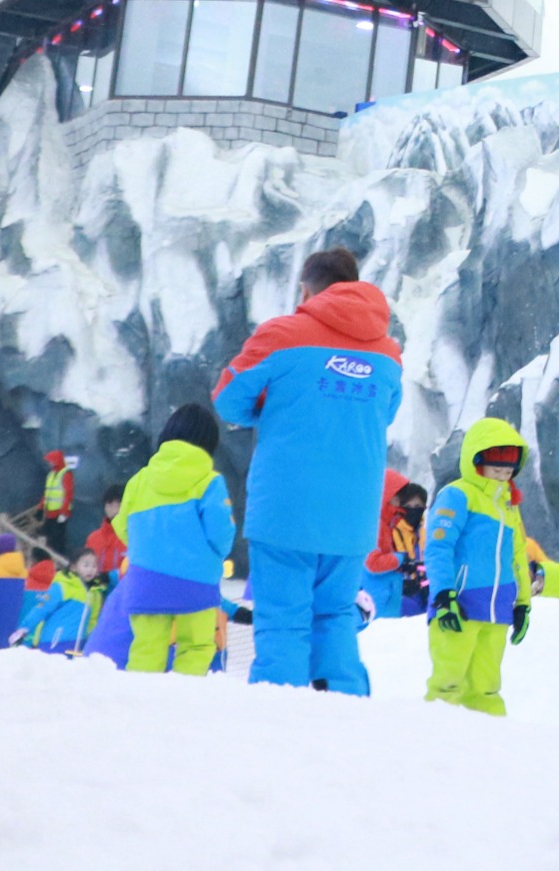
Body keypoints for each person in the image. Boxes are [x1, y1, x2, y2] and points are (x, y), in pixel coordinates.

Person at [213, 246, 403, 695]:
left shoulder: (283, 334)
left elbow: (228, 397)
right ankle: (345, 715)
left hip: (287, 508)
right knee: (335, 616)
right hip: (352, 515)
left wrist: (275, 410)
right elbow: (386, 412)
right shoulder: (388, 353)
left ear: (306, 287)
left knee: (282, 621)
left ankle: (279, 729)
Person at [423, 417, 538, 716]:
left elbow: (517, 556)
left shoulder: (508, 505)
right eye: (496, 461)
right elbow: (438, 546)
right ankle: (432, 741)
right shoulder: (458, 494)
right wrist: (444, 595)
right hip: (459, 605)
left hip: (496, 609)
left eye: (510, 461)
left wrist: (522, 603)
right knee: (448, 682)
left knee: (486, 686)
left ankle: (490, 747)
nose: (503, 470)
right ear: (476, 458)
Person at [116, 402, 237, 677]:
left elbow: (123, 527)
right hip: (195, 581)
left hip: (145, 580)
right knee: (195, 647)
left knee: (146, 648)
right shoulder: (209, 481)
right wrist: (213, 556)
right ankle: (184, 706)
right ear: (209, 442)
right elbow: (221, 532)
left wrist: (149, 551)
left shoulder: (139, 480)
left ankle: (139, 704)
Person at [364, 472, 425, 618]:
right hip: (377, 599)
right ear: (387, 496)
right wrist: (401, 559)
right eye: (399, 497)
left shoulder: (391, 522)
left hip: (388, 597)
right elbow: (373, 563)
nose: (402, 502)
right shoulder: (376, 526)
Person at [39, 450, 78, 556]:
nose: (49, 463)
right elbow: (47, 493)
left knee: (58, 541)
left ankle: (58, 560)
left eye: (51, 461)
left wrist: (64, 513)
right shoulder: (51, 474)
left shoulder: (66, 474)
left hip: (59, 514)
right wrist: (41, 507)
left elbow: (68, 494)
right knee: (47, 539)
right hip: (49, 513)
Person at [84, 486, 127, 580]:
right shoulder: (93, 538)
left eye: (119, 505)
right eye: (110, 504)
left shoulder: (131, 538)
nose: (114, 510)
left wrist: (110, 578)